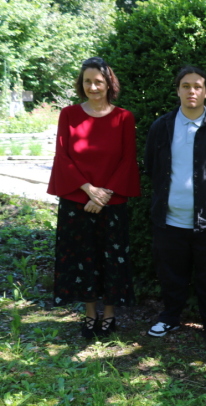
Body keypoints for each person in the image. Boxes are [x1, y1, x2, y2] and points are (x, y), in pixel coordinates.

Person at [145, 65, 206, 347]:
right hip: (169, 219)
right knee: (170, 274)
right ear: (178, 90)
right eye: (186, 86)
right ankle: (170, 317)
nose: (192, 91)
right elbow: (151, 167)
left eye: (197, 86)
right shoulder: (160, 127)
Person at [48, 57, 140, 338]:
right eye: (87, 81)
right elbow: (63, 157)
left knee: (112, 259)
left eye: (98, 81)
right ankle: (90, 314)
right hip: (77, 200)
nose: (93, 86)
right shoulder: (69, 115)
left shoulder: (124, 117)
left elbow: (127, 160)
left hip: (112, 202)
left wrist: (103, 195)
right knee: (83, 259)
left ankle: (109, 315)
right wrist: (89, 190)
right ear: (81, 83)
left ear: (108, 83)